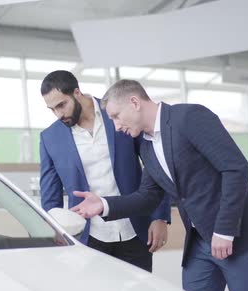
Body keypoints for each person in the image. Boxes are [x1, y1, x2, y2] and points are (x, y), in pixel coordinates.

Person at [70, 79, 248, 291]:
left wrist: (225, 230)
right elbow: (148, 195)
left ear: (134, 102)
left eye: (115, 116)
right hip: (199, 243)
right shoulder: (145, 145)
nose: (115, 125)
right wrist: (103, 205)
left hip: (237, 235)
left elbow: (235, 168)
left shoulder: (189, 117)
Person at [39, 71, 171, 272]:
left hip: (135, 228)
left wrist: (160, 216)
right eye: (52, 109)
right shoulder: (50, 138)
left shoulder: (118, 112)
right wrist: (55, 232)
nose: (59, 114)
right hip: (88, 236)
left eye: (61, 105)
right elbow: (50, 196)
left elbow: (154, 165)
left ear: (77, 92)